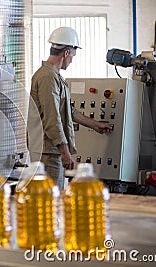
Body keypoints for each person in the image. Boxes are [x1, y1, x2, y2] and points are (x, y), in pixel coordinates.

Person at [28, 27, 113, 189]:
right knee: (54, 198)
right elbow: (52, 117)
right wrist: (64, 151)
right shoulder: (48, 77)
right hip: (48, 150)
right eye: (73, 56)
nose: (72, 60)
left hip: (50, 149)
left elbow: (68, 111)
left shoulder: (54, 76)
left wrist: (95, 125)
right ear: (66, 53)